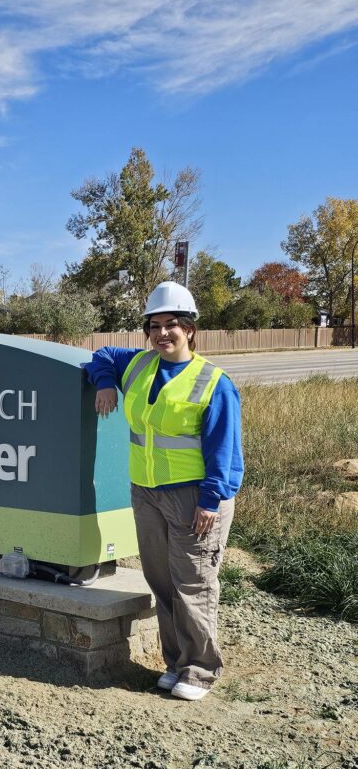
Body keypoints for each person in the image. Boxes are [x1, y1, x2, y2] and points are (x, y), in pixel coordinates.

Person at [85, 281, 244, 701]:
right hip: (147, 493)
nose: (162, 333)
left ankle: (200, 669)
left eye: (172, 324)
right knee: (162, 581)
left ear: (190, 328)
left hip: (193, 498)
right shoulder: (138, 365)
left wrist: (212, 499)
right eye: (154, 325)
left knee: (193, 582)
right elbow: (100, 355)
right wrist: (104, 382)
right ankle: (175, 663)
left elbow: (225, 450)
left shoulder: (213, 382)